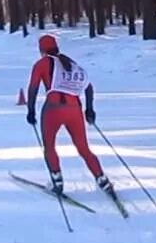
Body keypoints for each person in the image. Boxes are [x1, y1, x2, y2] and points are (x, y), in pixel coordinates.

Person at [26, 34, 115, 197]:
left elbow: (32, 89)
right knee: (83, 148)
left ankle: (57, 181)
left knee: (50, 146)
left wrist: (30, 111)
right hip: (75, 109)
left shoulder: (42, 64)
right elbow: (88, 88)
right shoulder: (71, 64)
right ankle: (102, 179)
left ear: (41, 50)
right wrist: (90, 110)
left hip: (53, 109)